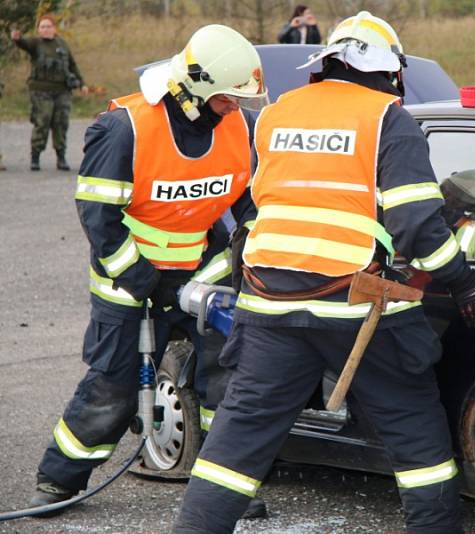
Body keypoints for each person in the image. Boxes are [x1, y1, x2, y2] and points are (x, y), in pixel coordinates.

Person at [174, 11, 475, 534]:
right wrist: (463, 281)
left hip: (269, 307)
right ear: (390, 72)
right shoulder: (389, 119)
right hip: (359, 310)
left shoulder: (278, 114)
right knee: (418, 442)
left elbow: (255, 210)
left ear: (327, 65)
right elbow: (418, 224)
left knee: (237, 442)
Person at [28, 24, 269, 520]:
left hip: (202, 273)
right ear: (196, 89)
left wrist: (250, 240)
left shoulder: (238, 126)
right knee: (113, 388)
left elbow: (248, 199)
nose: (236, 109)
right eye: (228, 99)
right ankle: (59, 479)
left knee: (225, 381)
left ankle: (222, 488)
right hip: (130, 280)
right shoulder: (125, 128)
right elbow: (99, 218)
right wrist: (142, 278)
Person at [11, 14, 88, 172]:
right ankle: (35, 157)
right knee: (42, 122)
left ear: (54, 28)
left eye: (48, 26)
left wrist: (82, 83)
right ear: (38, 29)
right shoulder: (35, 44)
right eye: (42, 27)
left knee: (61, 124)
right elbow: (23, 43)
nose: (45, 29)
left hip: (62, 92)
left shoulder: (62, 45)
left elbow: (72, 65)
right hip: (41, 92)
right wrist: (17, 39)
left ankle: (61, 158)